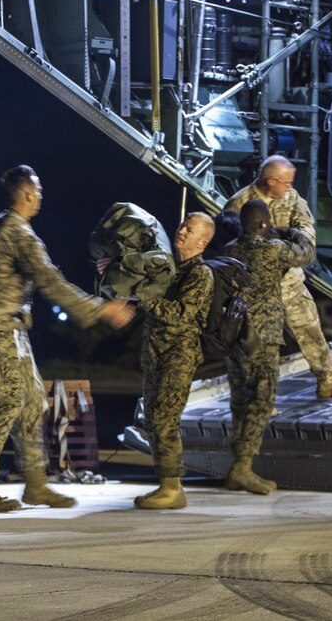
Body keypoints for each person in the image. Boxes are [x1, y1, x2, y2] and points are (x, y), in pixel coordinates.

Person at [0, 165, 135, 512]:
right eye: (38, 190)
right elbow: (50, 282)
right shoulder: (18, 233)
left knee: (33, 405)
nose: (41, 196)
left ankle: (36, 485)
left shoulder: (1, 224)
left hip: (11, 330)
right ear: (28, 194)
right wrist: (101, 310)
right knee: (8, 405)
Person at [226, 156, 332, 399]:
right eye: (285, 182)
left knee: (310, 329)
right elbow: (232, 245)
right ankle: (262, 400)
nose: (289, 187)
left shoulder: (292, 198)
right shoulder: (239, 203)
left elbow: (307, 233)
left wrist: (289, 238)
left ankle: (327, 379)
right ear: (270, 181)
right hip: (258, 292)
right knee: (261, 347)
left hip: (289, 283)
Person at [220, 200, 315, 494]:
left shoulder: (229, 250)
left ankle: (237, 462)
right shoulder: (273, 249)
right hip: (264, 337)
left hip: (236, 336)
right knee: (261, 402)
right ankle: (243, 468)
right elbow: (307, 254)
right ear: (264, 224)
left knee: (239, 401)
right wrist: (292, 232)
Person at [134, 212, 215, 510]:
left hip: (178, 357)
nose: (181, 232)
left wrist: (146, 300)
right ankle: (165, 484)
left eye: (189, 230)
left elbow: (181, 314)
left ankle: (172, 488)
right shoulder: (171, 268)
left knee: (166, 420)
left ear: (203, 240)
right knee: (154, 420)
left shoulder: (200, 274)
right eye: (182, 226)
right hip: (157, 354)